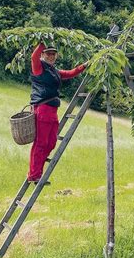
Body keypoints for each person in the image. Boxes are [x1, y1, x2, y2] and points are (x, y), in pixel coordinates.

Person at [27, 43, 88, 184]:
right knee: (41, 143)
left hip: (52, 110)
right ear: (43, 54)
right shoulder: (39, 68)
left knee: (51, 143)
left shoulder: (54, 70)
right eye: (48, 53)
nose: (51, 56)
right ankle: (34, 175)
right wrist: (42, 41)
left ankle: (37, 171)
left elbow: (71, 73)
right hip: (42, 109)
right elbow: (33, 57)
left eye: (53, 54)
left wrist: (85, 65)